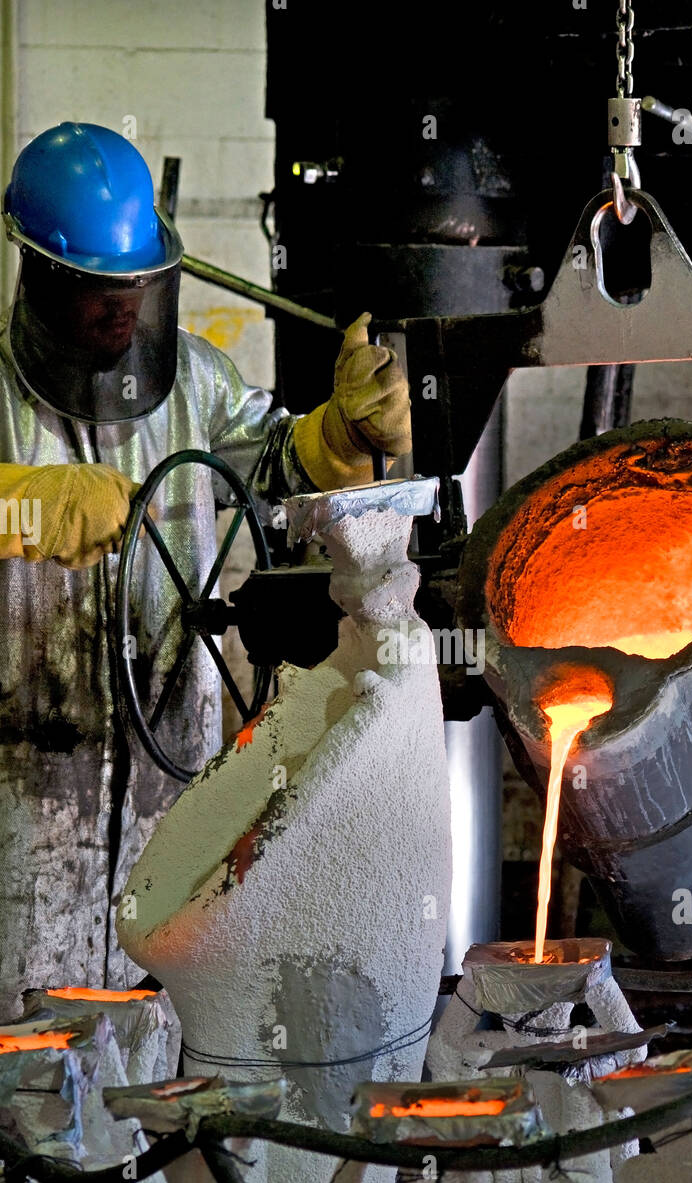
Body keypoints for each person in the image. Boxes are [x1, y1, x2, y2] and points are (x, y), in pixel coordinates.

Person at [0, 122, 411, 1018]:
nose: (123, 311)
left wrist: (338, 435)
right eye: (98, 292)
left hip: (170, 811)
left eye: (137, 289)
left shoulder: (191, 381)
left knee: (158, 1078)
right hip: (18, 824)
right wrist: (25, 506)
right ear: (37, 275)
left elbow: (271, 466)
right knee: (26, 1092)